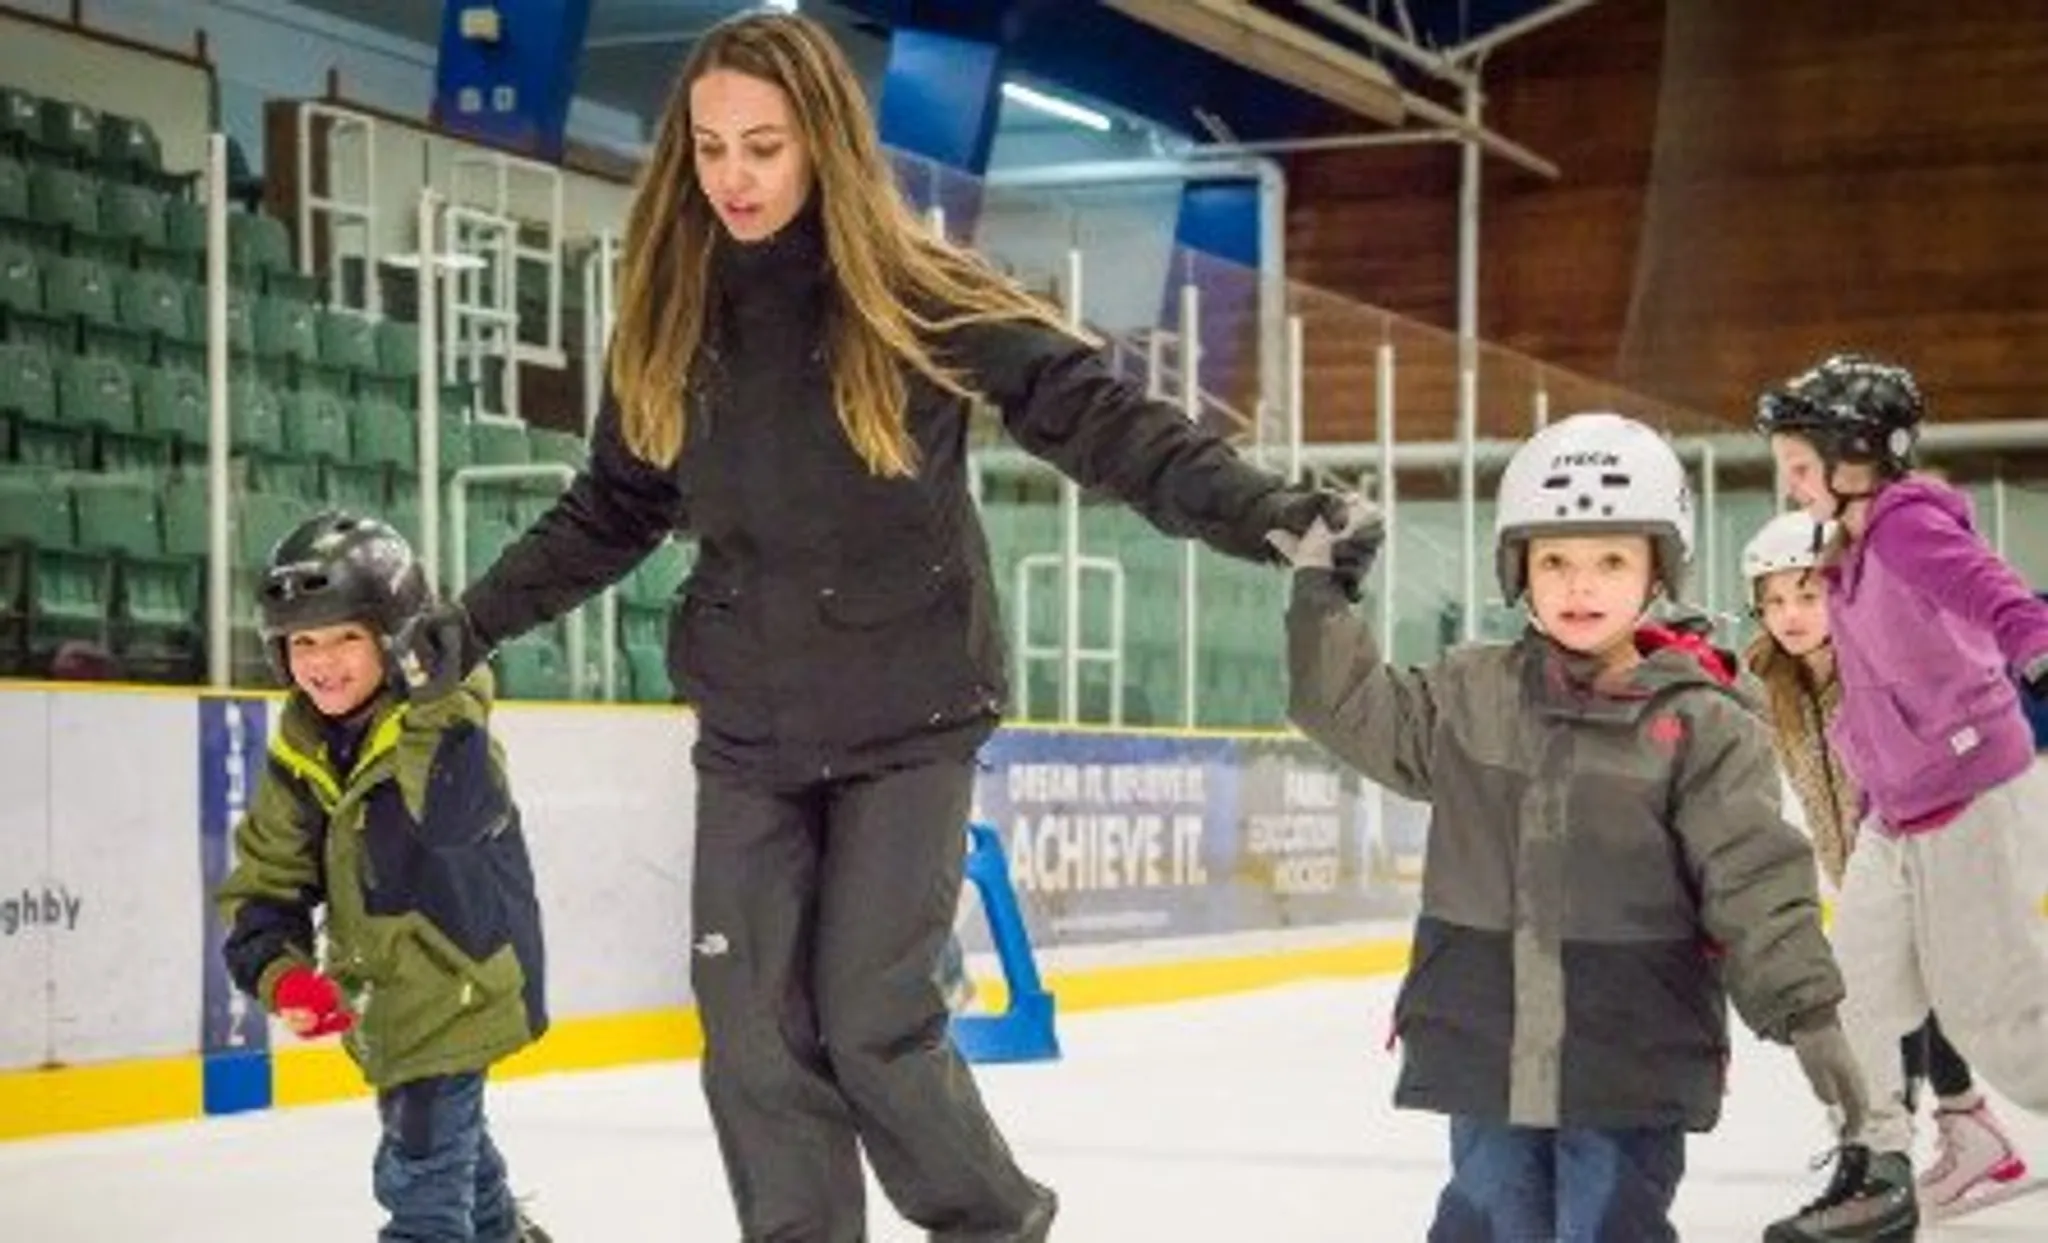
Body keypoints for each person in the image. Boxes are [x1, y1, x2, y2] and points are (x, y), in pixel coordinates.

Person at [392, 12, 1364, 1240]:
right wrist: (471, 623)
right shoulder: (671, 316)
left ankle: (989, 1225)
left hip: (912, 713)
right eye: (709, 148)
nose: (733, 176)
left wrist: (1263, 510)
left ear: (824, 144)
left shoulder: (917, 297)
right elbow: (614, 508)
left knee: (872, 1020)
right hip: (752, 725)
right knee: (751, 1031)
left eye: (763, 147)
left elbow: (1100, 420)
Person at [1273, 412, 1861, 1242]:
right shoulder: (1469, 694)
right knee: (1487, 1219)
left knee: (1610, 1225)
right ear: (1519, 567)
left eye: (1611, 560)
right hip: (1489, 1046)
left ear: (1658, 569)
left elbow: (1752, 877)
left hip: (1631, 1050)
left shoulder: (1703, 724)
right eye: (1555, 560)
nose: (1581, 586)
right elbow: (1343, 708)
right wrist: (1322, 594)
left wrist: (1807, 1009)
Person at [1756, 353, 2048, 1240]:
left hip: (1970, 790)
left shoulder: (1907, 526)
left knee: (1994, 1019)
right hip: (1897, 807)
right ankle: (1878, 1167)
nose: (1791, 486)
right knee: (1853, 996)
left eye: (1800, 467)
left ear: (1857, 456)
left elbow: (1997, 594)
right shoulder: (1847, 550)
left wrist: (2037, 644)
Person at [215, 511, 550, 1243]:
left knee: (421, 1175)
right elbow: (267, 876)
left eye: (344, 637)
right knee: (458, 1157)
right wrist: (283, 974)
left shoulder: (448, 723)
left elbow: (457, 815)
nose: (322, 662)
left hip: (462, 982)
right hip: (386, 993)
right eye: (302, 642)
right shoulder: (302, 748)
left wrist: (437, 701)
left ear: (394, 637)